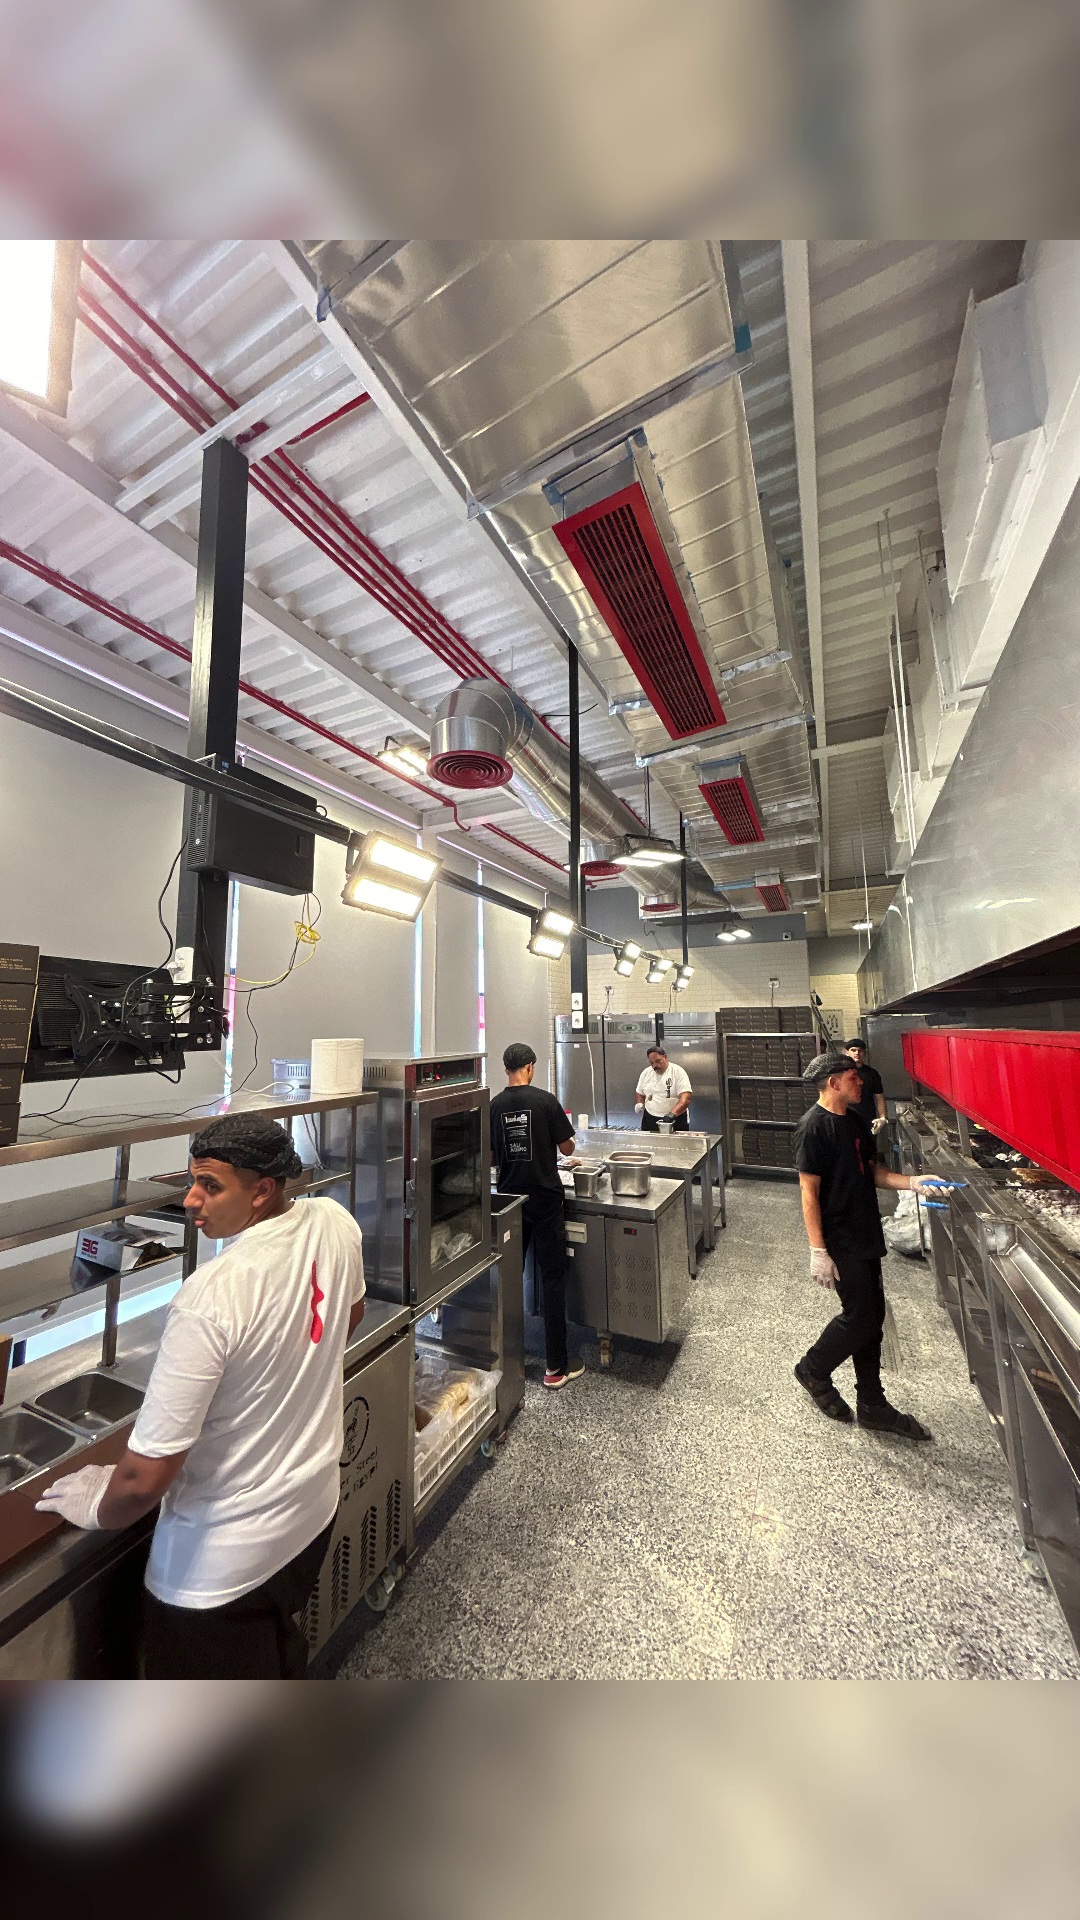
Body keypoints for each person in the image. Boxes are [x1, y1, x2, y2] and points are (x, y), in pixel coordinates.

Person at [36, 1114, 366, 1678]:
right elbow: (347, 1316)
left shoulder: (210, 1297)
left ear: (261, 1191)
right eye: (192, 1181)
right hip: (311, 1515)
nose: (191, 1200)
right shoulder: (334, 1222)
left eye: (210, 1186)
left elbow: (142, 1482)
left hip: (215, 1573)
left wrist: (98, 1502)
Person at [793, 1048, 955, 1440]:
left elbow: (873, 1172)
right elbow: (808, 1194)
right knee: (860, 1316)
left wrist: (913, 1182)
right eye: (853, 1076)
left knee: (873, 1317)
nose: (861, 1081)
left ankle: (872, 1403)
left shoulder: (855, 1121)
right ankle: (813, 1369)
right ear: (834, 1082)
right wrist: (818, 1250)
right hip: (841, 1238)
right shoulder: (812, 1127)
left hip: (866, 1232)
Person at [489, 1041, 582, 1391]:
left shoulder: (494, 1106)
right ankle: (555, 1367)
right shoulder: (545, 1101)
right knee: (552, 1278)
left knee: (509, 1277)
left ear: (506, 1069)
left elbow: (491, 1156)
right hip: (545, 1200)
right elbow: (568, 1147)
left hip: (510, 1201)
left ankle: (507, 1361)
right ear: (529, 1067)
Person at [635, 1043, 692, 1133]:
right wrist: (639, 1103)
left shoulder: (678, 1072)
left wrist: (672, 1114)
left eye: (658, 1061)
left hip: (675, 1119)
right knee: (649, 1142)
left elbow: (686, 1098)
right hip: (650, 1118)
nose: (655, 1066)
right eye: (652, 1063)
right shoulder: (646, 1073)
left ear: (665, 1057)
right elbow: (639, 1092)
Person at [845, 1036, 888, 1136]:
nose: (857, 1053)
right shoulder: (842, 1073)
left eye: (860, 1050)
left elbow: (879, 1097)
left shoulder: (872, 1074)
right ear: (847, 1053)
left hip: (867, 1118)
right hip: (846, 1118)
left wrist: (882, 1117)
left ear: (865, 1053)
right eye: (853, 1050)